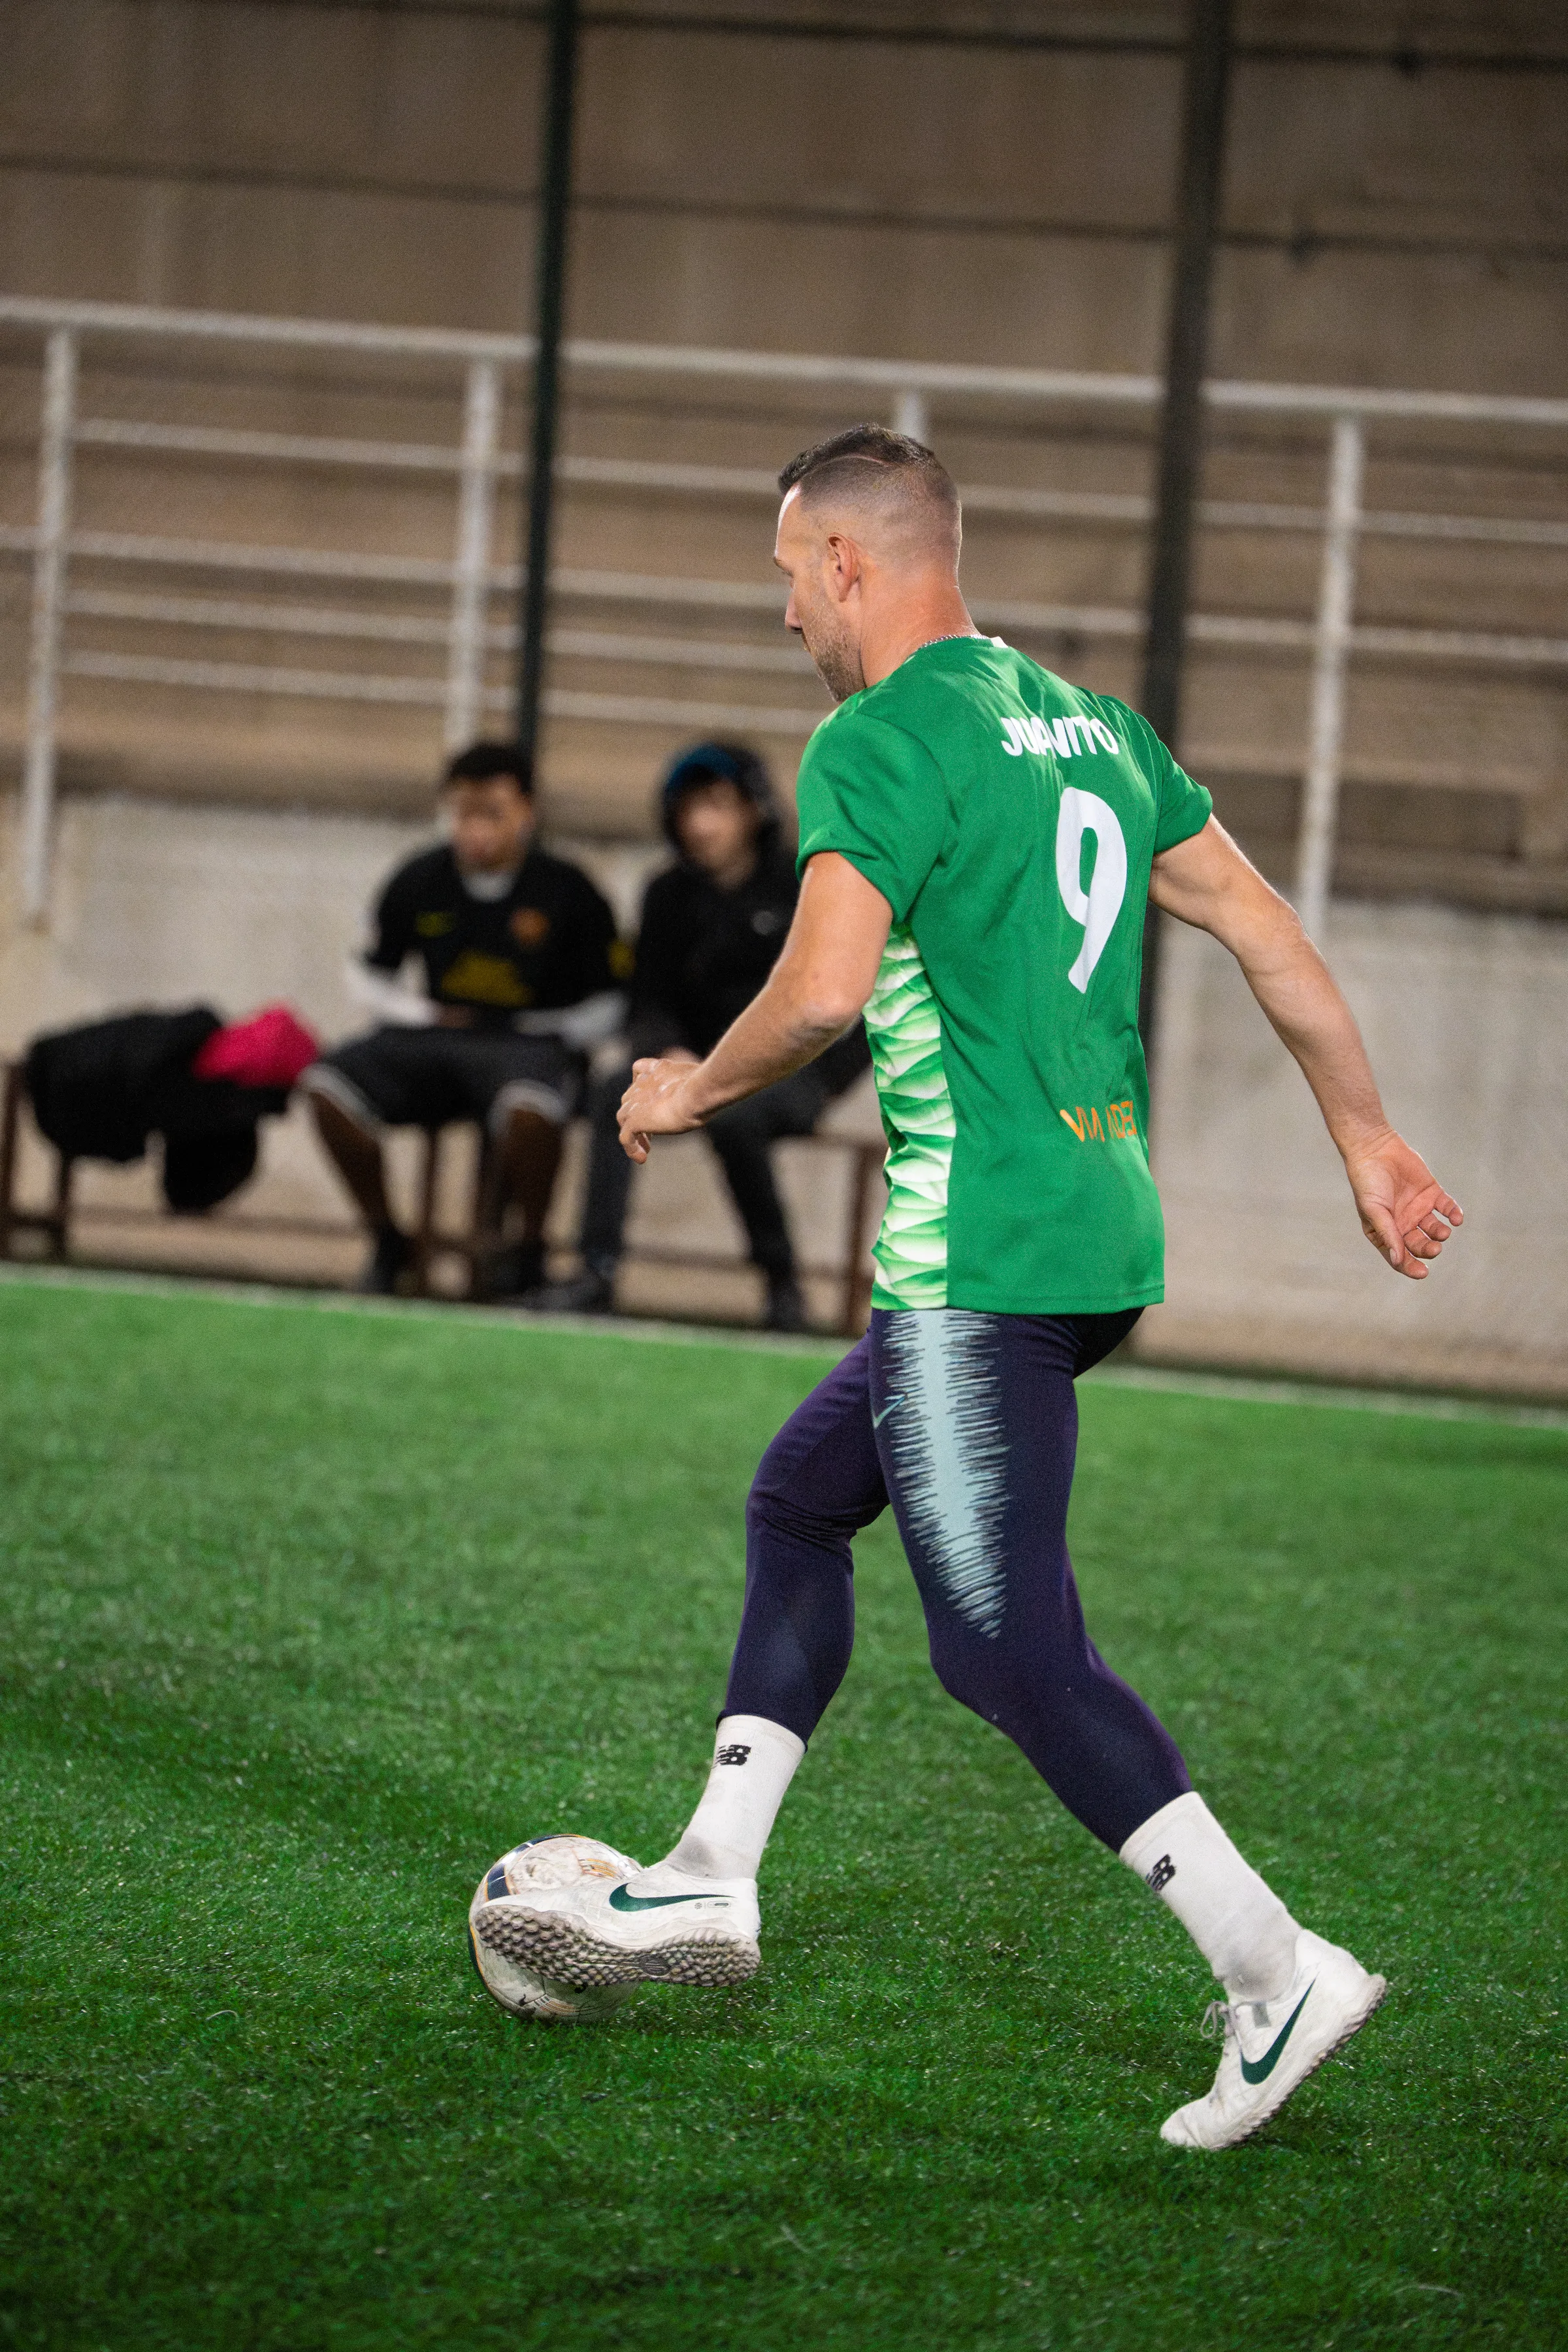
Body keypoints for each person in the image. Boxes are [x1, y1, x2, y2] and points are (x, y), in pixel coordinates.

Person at [474, 427, 1462, 2151]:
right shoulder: (1096, 727)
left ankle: (1275, 1962)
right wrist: (1366, 1136)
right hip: (1097, 1239)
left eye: (791, 574)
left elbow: (826, 983)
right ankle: (711, 1869)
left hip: (976, 1251)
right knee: (800, 1498)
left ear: (852, 560)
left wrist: (686, 1087)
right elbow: (1270, 929)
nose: (788, 613)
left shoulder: (881, 734)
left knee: (1002, 1642)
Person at [538, 741, 869, 1331]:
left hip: (790, 1073)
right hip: (690, 1064)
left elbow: (850, 1001)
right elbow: (647, 996)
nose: (700, 824)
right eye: (689, 809)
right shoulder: (666, 893)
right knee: (617, 1086)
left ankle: (781, 1285)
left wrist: (820, 1084)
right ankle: (597, 1269)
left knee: (737, 1117)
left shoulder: (806, 883)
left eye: (717, 805)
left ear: (754, 810)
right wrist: (669, 1052)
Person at [303, 740, 621, 1299]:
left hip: (531, 1044)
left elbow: (613, 1003)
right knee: (327, 1083)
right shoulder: (420, 878)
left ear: (527, 811)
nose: (475, 831)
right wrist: (426, 1012)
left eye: (491, 814)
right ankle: (387, 1242)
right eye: (462, 814)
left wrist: (544, 1027)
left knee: (530, 1108)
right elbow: (366, 974)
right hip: (436, 1041)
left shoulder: (569, 891)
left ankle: (528, 1254)